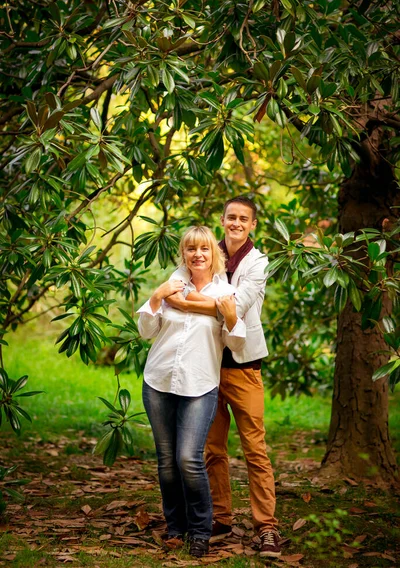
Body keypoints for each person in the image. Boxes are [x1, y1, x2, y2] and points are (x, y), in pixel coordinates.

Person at [167, 197, 281, 558]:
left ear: (252, 225)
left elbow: (236, 305)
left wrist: (185, 303)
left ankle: (266, 528)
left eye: (243, 218)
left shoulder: (258, 262)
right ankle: (221, 517)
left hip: (244, 366)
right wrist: (192, 300)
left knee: (255, 450)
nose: (235, 223)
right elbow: (188, 288)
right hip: (207, 367)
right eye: (231, 217)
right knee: (212, 450)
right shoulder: (207, 253)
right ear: (222, 220)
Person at [137, 226, 246, 558]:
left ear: (215, 254)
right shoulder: (171, 287)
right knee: (167, 461)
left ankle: (200, 530)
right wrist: (156, 297)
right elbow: (145, 331)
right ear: (183, 253)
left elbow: (237, 344)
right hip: (159, 381)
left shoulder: (226, 293)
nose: (197, 255)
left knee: (188, 458)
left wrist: (230, 319)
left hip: (199, 385)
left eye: (204, 249)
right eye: (190, 249)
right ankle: (175, 527)